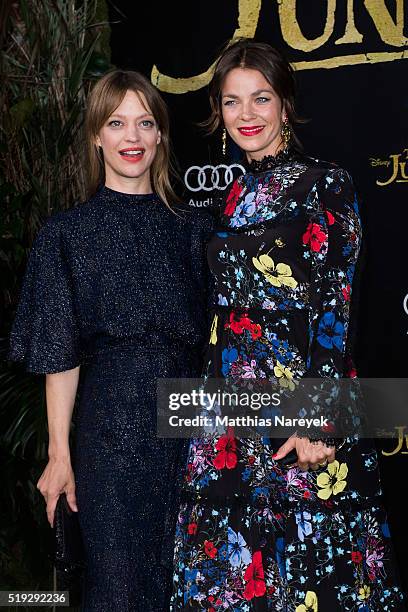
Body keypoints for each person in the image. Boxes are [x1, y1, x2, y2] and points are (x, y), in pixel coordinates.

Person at [171, 39, 406, 611]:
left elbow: (335, 309)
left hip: (300, 402)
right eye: (232, 102)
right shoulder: (225, 200)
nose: (246, 115)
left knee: (311, 578)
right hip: (228, 414)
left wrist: (316, 418)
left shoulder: (326, 183)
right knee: (232, 580)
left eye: (260, 99)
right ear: (218, 114)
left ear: (285, 105)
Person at [9, 69, 213, 611]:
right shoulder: (66, 235)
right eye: (116, 123)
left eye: (145, 123)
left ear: (160, 136)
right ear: (96, 136)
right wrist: (59, 454)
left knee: (194, 588)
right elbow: (60, 353)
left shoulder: (195, 229)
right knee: (118, 589)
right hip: (112, 437)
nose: (132, 137)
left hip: (196, 433)